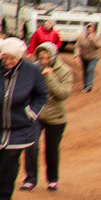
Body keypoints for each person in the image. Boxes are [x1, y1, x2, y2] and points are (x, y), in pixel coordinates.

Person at [0, 38, 48, 200]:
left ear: (20, 57)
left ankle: (5, 197)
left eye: (12, 59)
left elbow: (42, 94)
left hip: (19, 126)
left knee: (10, 162)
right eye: (5, 58)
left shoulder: (31, 71)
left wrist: (30, 113)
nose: (8, 62)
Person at [25, 42, 73, 191]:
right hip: (36, 114)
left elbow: (62, 94)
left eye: (47, 57)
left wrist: (50, 77)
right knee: (31, 146)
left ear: (53, 56)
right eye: (41, 58)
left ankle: (52, 179)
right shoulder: (33, 69)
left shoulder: (65, 71)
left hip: (56, 116)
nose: (44, 61)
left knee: (51, 149)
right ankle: (30, 179)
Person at [76, 25, 101, 92]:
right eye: (88, 30)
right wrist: (76, 55)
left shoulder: (98, 37)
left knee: (90, 69)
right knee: (85, 71)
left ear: (94, 31)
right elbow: (77, 46)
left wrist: (92, 39)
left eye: (91, 30)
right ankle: (85, 86)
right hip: (84, 57)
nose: (90, 31)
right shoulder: (81, 37)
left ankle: (89, 85)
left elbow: (98, 46)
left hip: (94, 57)